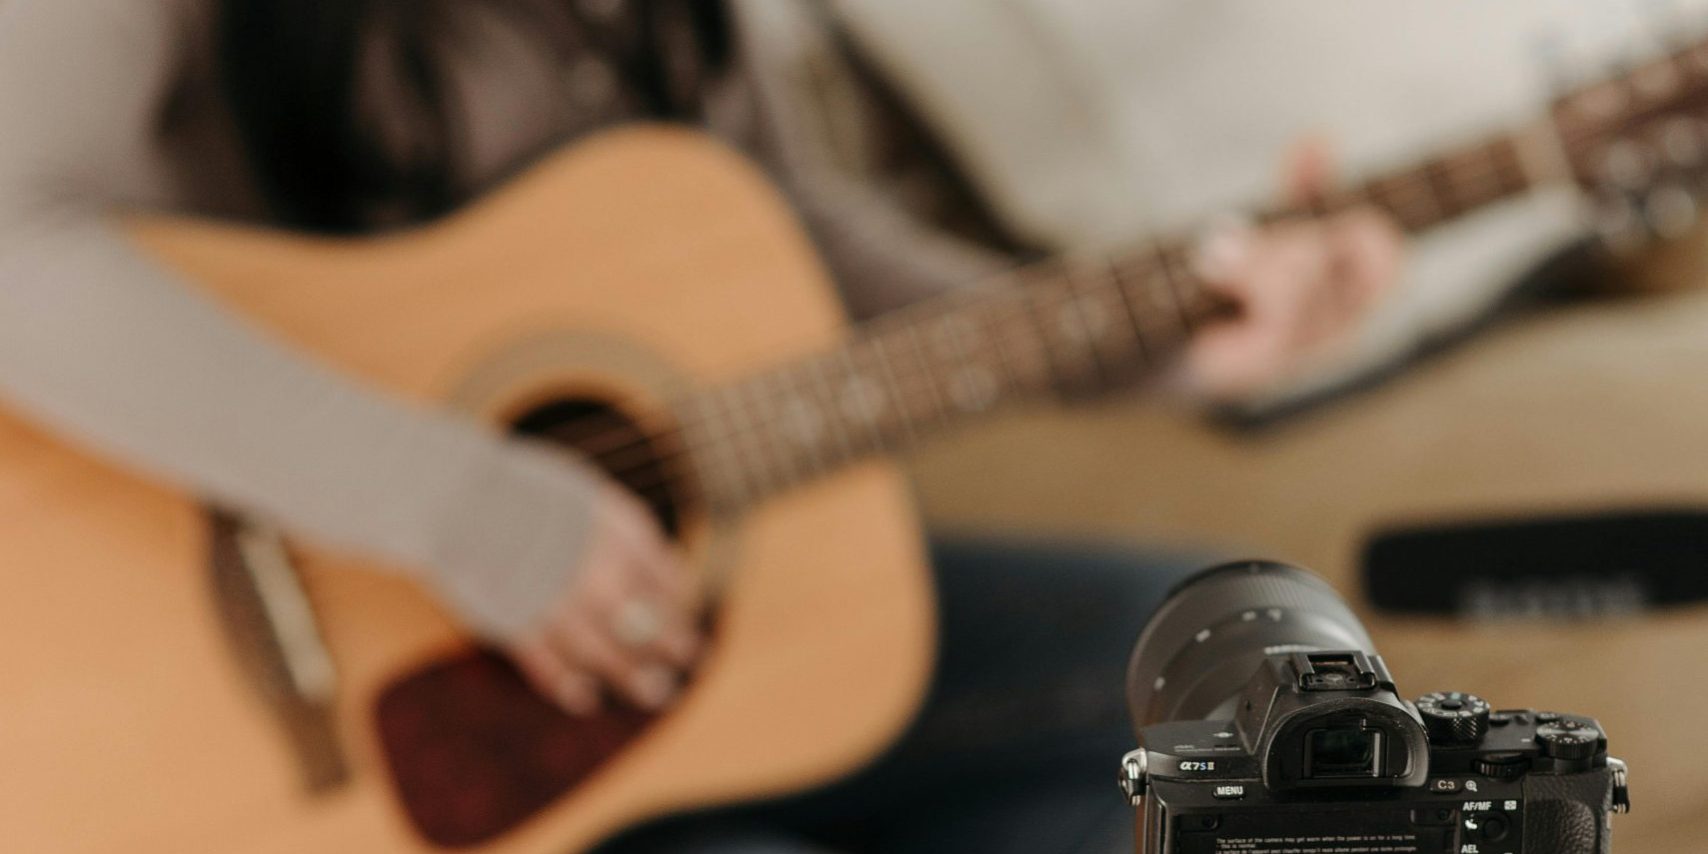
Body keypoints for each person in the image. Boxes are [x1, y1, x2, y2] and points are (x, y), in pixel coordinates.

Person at [0, 1, 1400, 850]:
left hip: (667, 661)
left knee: (1268, 683)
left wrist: (1158, 332)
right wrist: (468, 510)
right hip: (314, 736)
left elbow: (766, 234)